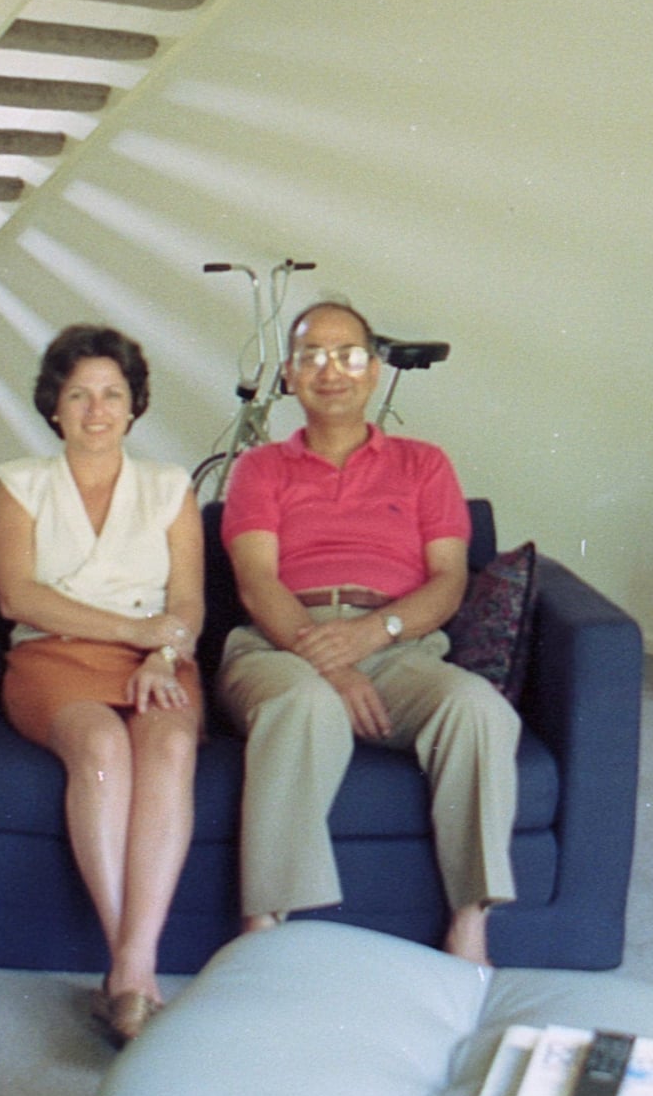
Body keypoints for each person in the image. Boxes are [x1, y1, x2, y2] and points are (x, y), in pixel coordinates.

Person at [218, 300, 517, 965]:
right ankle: (263, 932)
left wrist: (373, 634)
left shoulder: (424, 465)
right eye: (311, 356)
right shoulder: (260, 468)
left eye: (348, 355)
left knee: (477, 709)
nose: (331, 371)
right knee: (305, 703)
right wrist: (332, 662)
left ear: (374, 370)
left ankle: (470, 926)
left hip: (395, 643)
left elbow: (448, 581)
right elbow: (257, 582)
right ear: (290, 375)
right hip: (282, 644)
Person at [0, 324, 204, 1044]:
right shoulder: (19, 484)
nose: (97, 410)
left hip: (157, 659)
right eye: (79, 395)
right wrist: (135, 630)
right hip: (53, 658)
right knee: (103, 748)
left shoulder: (170, 487)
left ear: (134, 405)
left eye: (112, 394)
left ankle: (127, 974)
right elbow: (19, 597)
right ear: (54, 406)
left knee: (170, 748)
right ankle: (132, 967)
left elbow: (189, 602)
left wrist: (162, 654)